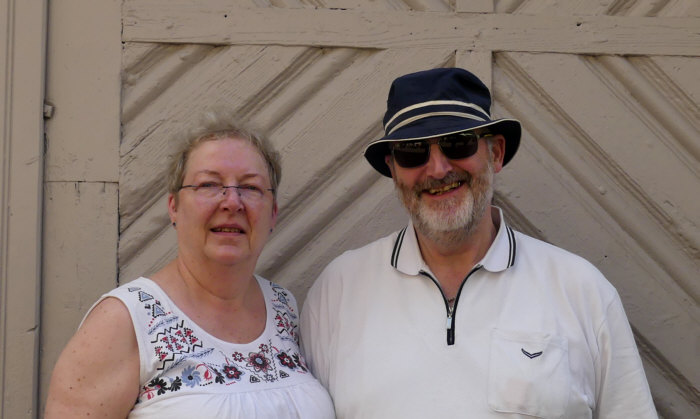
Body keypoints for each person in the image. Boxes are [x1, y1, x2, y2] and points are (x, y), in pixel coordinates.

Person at [301, 68, 657, 418]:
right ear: (394, 170)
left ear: (496, 153)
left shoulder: (581, 290)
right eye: (412, 151)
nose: (438, 169)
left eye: (458, 143)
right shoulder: (339, 290)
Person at [46, 117, 335, 418]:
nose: (232, 202)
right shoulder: (125, 321)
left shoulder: (282, 307)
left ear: (273, 213)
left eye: (250, 187)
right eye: (209, 185)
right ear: (174, 207)